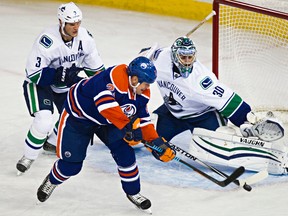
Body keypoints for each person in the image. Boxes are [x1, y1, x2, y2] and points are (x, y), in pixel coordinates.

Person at [36, 56, 175, 213]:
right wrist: (128, 127)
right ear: (134, 79)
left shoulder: (142, 92)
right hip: (79, 118)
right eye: (146, 83)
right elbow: (105, 106)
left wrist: (155, 142)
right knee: (71, 166)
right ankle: (52, 180)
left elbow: (143, 119)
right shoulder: (113, 78)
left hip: (109, 122)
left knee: (126, 154)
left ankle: (133, 192)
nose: (148, 87)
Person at [140, 36, 286, 175]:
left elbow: (229, 100)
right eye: (183, 57)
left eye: (190, 57)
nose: (186, 62)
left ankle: (269, 157)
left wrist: (247, 121)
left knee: (219, 148)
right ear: (174, 56)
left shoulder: (200, 80)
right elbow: (146, 54)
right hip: (171, 113)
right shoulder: (161, 59)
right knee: (146, 139)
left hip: (203, 116)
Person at [16, 2, 105, 175]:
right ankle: (28, 157)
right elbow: (33, 74)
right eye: (72, 23)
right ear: (61, 22)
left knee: (78, 117)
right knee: (44, 120)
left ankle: (52, 142)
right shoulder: (47, 41)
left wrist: (105, 88)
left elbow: (97, 72)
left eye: (78, 23)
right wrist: (59, 75)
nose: (76, 27)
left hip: (64, 88)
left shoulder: (85, 38)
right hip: (40, 85)